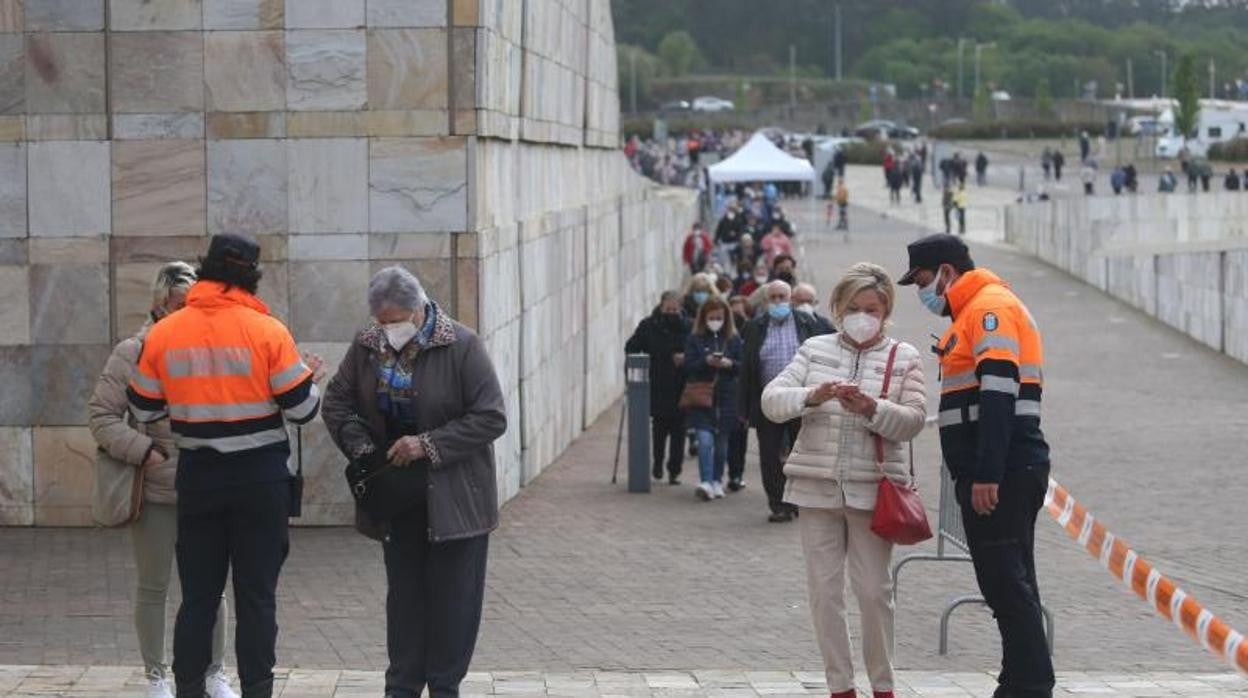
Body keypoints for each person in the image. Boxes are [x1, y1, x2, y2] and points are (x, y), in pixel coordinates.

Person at [126, 234, 324, 698]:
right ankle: (257, 689)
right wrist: (309, 378)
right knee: (256, 598)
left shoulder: (166, 332)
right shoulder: (268, 331)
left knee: (198, 598)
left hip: (198, 477)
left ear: (206, 269)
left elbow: (144, 407)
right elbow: (302, 411)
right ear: (250, 277)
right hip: (260, 481)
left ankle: (189, 688)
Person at [322, 266, 506, 698]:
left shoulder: (461, 345)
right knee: (405, 601)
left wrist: (427, 444)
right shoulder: (367, 345)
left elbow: (490, 416)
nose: (391, 329)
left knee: (453, 604)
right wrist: (363, 448)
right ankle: (401, 687)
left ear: (419, 309)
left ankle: (445, 687)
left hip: (456, 500)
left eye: (398, 319)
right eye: (383, 321)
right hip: (397, 500)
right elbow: (337, 402)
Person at [898, 234, 1055, 698]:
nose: (920, 292)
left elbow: (999, 391)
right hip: (1003, 468)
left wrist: (987, 472)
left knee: (1005, 582)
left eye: (922, 281)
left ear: (946, 271)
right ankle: (1020, 679)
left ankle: (1029, 685)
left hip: (1004, 471)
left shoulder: (990, 310)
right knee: (1009, 581)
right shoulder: (973, 312)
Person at [762, 263, 926, 698]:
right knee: (824, 593)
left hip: (874, 491)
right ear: (837, 307)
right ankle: (840, 686)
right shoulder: (813, 350)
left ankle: (883, 685)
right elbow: (772, 401)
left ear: (885, 308)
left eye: (871, 308)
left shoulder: (904, 356)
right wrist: (811, 396)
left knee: (874, 592)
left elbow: (913, 421)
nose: (862, 316)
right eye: (853, 307)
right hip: (815, 488)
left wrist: (872, 408)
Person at [90, 263, 238, 698]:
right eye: (177, 304)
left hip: (208, 485)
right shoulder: (133, 350)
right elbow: (101, 416)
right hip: (156, 489)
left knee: (211, 586)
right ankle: (157, 675)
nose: (186, 312)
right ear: (159, 304)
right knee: (153, 585)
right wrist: (145, 452)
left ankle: (215, 672)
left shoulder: (214, 346)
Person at [740, 281, 833, 522]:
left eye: (783, 296)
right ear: (766, 301)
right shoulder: (754, 328)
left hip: (803, 400)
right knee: (770, 455)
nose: (778, 301)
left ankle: (799, 500)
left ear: (791, 299)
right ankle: (779, 504)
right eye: (773, 297)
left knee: (800, 452)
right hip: (768, 402)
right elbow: (746, 370)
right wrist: (744, 407)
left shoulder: (808, 323)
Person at [625, 291, 692, 485]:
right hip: (657, 384)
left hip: (682, 385)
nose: (671, 312)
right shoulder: (648, 326)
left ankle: (674, 470)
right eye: (667, 309)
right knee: (660, 428)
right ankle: (658, 463)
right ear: (661, 307)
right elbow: (631, 347)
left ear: (681, 308)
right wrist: (638, 365)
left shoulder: (689, 326)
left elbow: (697, 349)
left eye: (675, 309)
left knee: (680, 430)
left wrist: (686, 358)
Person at [682, 296, 744, 501]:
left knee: (721, 444)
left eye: (719, 317)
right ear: (704, 318)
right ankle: (706, 480)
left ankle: (717, 480)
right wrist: (706, 361)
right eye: (711, 317)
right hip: (702, 397)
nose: (715, 320)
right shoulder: (695, 339)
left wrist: (729, 364)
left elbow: (742, 366)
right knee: (704, 440)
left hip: (727, 397)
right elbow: (688, 366)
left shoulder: (733, 339)